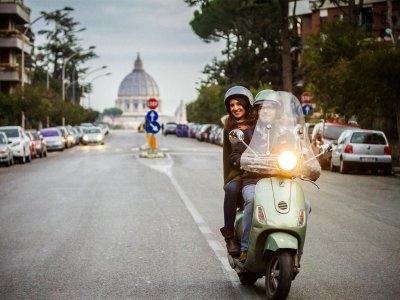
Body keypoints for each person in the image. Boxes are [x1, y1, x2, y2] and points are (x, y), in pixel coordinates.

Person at [220, 86, 256, 257]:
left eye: (239, 104)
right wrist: (237, 167)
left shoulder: (258, 124)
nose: (235, 108)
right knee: (233, 189)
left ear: (247, 104)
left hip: (260, 170)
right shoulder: (229, 128)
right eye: (232, 105)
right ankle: (229, 236)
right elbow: (230, 155)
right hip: (237, 172)